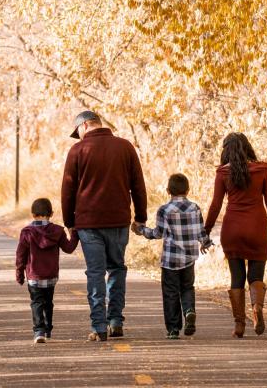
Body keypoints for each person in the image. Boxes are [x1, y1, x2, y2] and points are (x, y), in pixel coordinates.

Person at [61, 109, 148, 341]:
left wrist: (69, 222)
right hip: (118, 221)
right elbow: (138, 185)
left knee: (96, 273)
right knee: (117, 269)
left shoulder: (77, 150)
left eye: (77, 131)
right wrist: (141, 217)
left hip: (88, 223)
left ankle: (99, 326)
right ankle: (116, 320)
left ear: (85, 126)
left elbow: (68, 190)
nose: (77, 136)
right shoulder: (125, 147)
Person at [202, 132, 267, 338]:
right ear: (247, 148)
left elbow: (215, 205)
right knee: (255, 276)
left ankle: (239, 325)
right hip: (257, 229)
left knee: (236, 277)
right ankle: (256, 308)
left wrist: (206, 230)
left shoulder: (223, 173)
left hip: (233, 230)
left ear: (226, 150)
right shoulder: (262, 169)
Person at [131, 173, 212, 339]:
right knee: (187, 287)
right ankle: (189, 310)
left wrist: (141, 230)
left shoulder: (164, 210)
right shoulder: (195, 208)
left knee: (170, 292)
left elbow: (158, 233)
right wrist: (205, 243)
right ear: (188, 190)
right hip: (189, 258)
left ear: (168, 190)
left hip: (170, 260)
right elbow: (201, 231)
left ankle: (173, 329)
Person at [15, 197, 78, 343]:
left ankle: (39, 331)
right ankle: (48, 329)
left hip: (34, 276)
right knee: (48, 302)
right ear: (51, 213)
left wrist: (19, 274)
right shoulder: (57, 231)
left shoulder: (27, 232)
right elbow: (69, 248)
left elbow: (21, 255)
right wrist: (75, 234)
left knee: (37, 302)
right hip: (51, 276)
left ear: (33, 214)